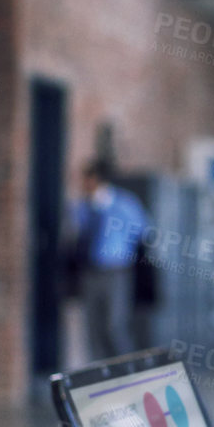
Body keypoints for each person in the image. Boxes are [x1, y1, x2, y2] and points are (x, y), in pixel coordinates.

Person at [70, 155, 151, 361]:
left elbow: (143, 232)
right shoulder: (83, 207)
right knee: (92, 327)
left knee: (114, 325)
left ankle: (125, 371)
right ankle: (98, 374)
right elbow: (75, 234)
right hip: (90, 271)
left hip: (116, 271)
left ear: (96, 179)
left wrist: (123, 250)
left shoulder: (124, 204)